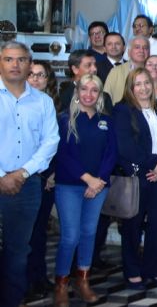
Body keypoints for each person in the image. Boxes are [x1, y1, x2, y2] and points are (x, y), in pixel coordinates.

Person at [0, 41, 59, 307]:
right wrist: (2, 176)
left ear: (29, 64)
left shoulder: (43, 102)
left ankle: (11, 301)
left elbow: (50, 141)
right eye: (9, 59)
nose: (15, 64)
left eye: (21, 59)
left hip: (27, 185)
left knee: (18, 249)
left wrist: (21, 173)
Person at [52, 74, 117, 306]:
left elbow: (112, 153)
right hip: (69, 186)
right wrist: (88, 179)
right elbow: (63, 154)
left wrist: (99, 181)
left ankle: (83, 281)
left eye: (94, 90)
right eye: (84, 89)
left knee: (89, 233)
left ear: (100, 95)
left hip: (98, 187)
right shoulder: (64, 120)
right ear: (77, 92)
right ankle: (61, 284)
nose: (89, 94)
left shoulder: (106, 121)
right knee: (70, 237)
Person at [112, 68, 157, 289]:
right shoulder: (123, 110)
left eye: (147, 83)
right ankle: (132, 271)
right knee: (133, 226)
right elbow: (126, 146)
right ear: (131, 88)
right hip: (138, 177)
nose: (143, 88)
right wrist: (153, 164)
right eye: (138, 84)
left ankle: (152, 269)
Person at [23, 60, 60, 303]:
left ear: (48, 80)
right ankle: (26, 281)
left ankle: (40, 276)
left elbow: (55, 144)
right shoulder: (16, 104)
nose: (36, 79)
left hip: (47, 179)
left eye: (41, 75)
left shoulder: (52, 106)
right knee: (25, 235)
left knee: (39, 233)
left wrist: (51, 175)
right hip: (25, 177)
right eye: (32, 74)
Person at [105, 35, 150, 104]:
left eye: (145, 48)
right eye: (137, 47)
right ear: (129, 52)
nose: (141, 51)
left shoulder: (153, 72)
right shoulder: (115, 71)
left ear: (149, 52)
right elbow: (106, 98)